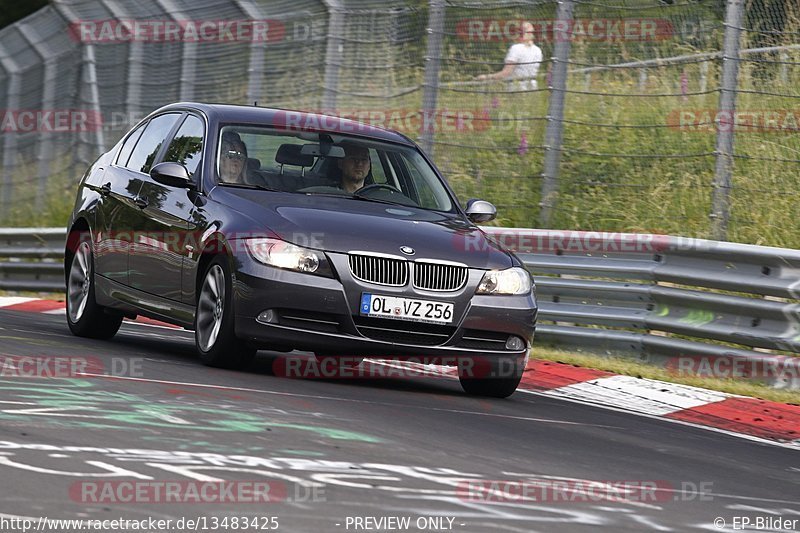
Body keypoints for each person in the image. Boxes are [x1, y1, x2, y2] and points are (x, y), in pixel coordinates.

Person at [476, 21, 542, 91]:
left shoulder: (516, 48)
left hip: (517, 89)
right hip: (532, 88)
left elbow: (506, 72)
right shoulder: (538, 50)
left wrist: (486, 77)